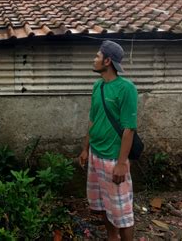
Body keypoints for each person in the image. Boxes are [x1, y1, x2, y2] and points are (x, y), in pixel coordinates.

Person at [78, 40, 138, 241]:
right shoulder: (98, 86)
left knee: (122, 212)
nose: (94, 59)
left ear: (107, 61)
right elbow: (93, 119)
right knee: (104, 203)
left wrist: (122, 163)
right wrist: (85, 148)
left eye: (97, 56)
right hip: (96, 155)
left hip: (114, 159)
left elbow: (129, 129)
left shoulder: (126, 88)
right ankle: (112, 237)